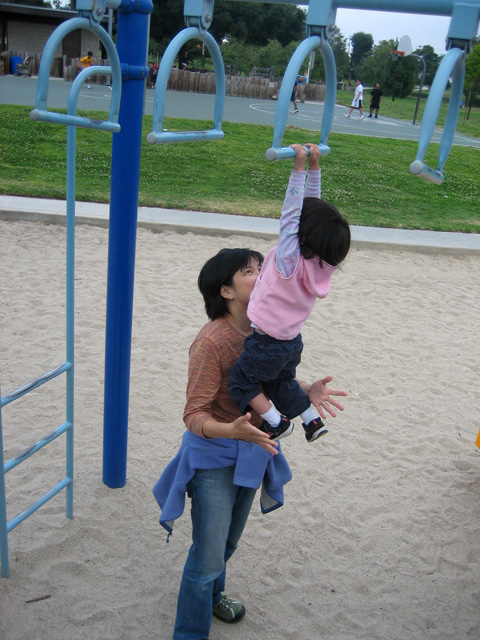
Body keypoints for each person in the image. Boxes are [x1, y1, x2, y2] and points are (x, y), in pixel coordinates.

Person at [153, 247, 347, 640]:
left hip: (254, 449)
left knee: (227, 540)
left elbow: (273, 383)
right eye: (249, 271)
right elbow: (194, 415)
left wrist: (307, 389)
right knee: (207, 554)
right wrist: (231, 430)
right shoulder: (211, 342)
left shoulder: (269, 330)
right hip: (214, 454)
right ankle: (190, 631)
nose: (262, 274)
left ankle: (213, 595)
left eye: (262, 267)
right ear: (225, 290)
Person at [228, 144, 350, 445]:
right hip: (290, 343)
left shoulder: (289, 261)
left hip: (266, 342)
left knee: (241, 381)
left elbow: (293, 213)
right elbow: (312, 215)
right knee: (281, 380)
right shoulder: (323, 266)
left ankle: (277, 422)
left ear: (302, 236)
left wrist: (299, 169)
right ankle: (311, 420)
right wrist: (315, 168)